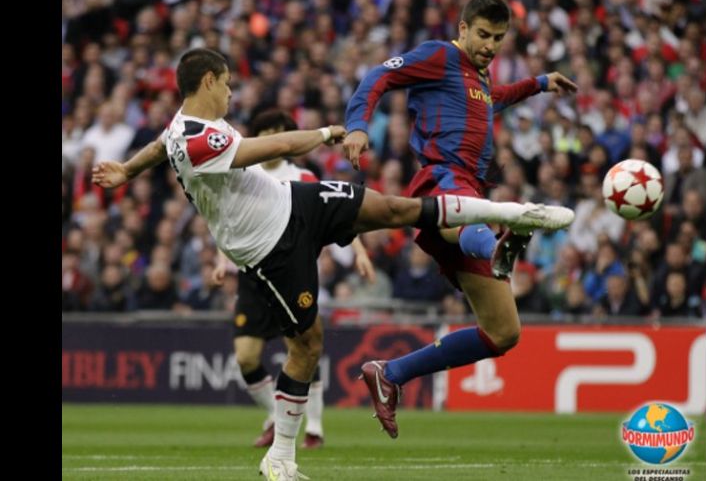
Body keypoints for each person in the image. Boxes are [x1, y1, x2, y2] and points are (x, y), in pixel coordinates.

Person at [93, 48, 572, 480]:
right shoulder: (199, 141)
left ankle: (511, 215)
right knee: (308, 345)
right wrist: (324, 132)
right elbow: (276, 147)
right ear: (209, 83)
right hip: (268, 246)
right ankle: (280, 457)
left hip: (295, 201)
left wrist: (126, 170)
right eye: (228, 84)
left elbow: (159, 146)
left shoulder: (179, 128)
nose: (232, 93)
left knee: (393, 209)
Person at [342, 0, 578, 440]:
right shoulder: (440, 55)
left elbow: (496, 98)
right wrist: (357, 123)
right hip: (441, 179)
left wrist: (541, 83)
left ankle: (389, 372)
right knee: (465, 218)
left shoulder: (480, 78)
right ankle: (496, 244)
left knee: (504, 332)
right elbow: (380, 75)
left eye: (498, 38)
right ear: (464, 29)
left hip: (469, 193)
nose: (490, 45)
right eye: (483, 35)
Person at [211, 109, 376, 450]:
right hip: (252, 273)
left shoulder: (302, 175)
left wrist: (359, 250)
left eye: (279, 131)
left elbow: (337, 210)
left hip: (290, 267)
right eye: (267, 131)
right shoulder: (243, 170)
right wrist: (219, 259)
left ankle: (313, 427)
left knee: (300, 346)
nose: (274, 137)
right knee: (246, 357)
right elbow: (228, 218)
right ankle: (277, 416)